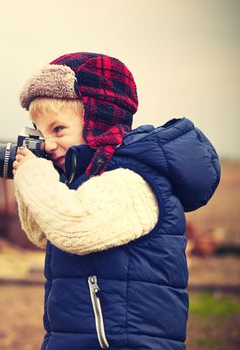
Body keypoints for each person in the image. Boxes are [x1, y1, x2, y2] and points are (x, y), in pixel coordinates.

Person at [12, 52, 220, 350]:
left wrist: (35, 174)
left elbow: (73, 228)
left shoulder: (132, 180)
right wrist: (28, 175)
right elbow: (43, 231)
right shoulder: (85, 180)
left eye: (58, 129)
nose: (47, 143)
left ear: (99, 121)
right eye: (39, 132)